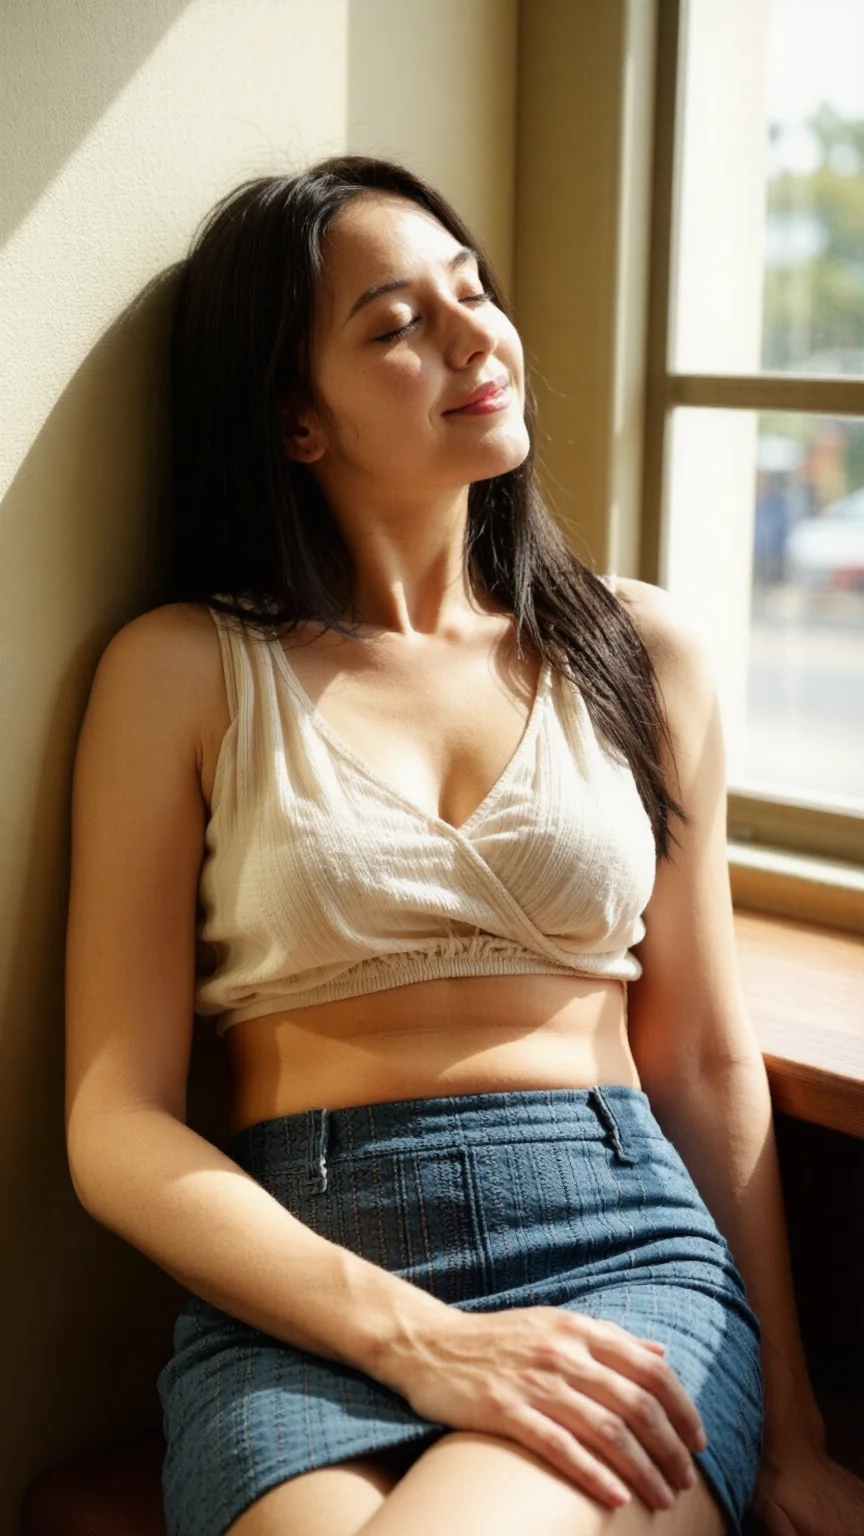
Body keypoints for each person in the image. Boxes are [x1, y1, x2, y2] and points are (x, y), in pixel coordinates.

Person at [64, 156, 864, 1536]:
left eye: (471, 290)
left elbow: (702, 1055)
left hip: (617, 1245)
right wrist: (413, 1338)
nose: (473, 332)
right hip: (301, 1277)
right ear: (295, 421)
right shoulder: (184, 669)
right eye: (393, 324)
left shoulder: (641, 652)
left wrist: (793, 1431)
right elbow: (114, 1119)